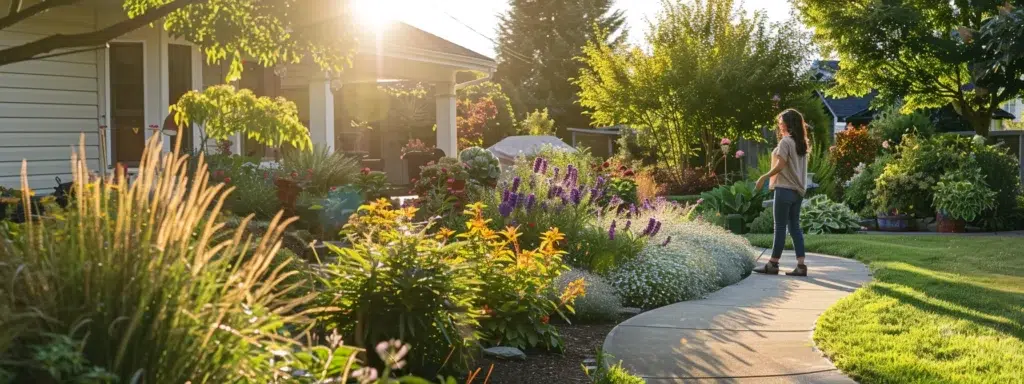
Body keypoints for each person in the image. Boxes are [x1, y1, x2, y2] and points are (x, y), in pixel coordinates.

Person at [753, 109, 810, 277]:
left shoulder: (786, 142)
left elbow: (781, 164)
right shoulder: (802, 143)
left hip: (784, 189)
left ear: (788, 124)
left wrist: (763, 177)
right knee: (794, 227)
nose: (779, 126)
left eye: (781, 123)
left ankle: (773, 264)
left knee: (779, 227)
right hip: (798, 191)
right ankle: (801, 266)